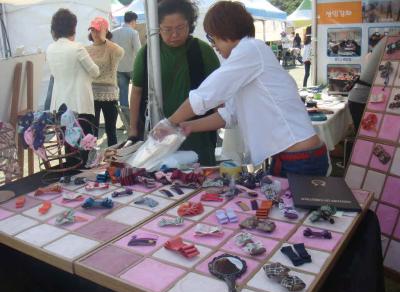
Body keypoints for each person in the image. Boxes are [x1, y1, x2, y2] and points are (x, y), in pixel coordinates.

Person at [157, 1, 328, 177]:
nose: (214, 45)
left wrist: (168, 124)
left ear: (224, 32)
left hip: (300, 158)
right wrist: (186, 126)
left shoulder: (250, 50)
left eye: (212, 38)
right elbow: (229, 115)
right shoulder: (248, 57)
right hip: (290, 156)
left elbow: (204, 96)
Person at [130, 0, 220, 165]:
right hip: (157, 134)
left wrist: (220, 120)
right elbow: (136, 91)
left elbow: (218, 95)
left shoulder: (202, 51)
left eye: (180, 28)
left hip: (197, 133)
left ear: (190, 25)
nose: (174, 35)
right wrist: (133, 129)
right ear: (158, 28)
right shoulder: (147, 53)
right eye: (167, 29)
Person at [46, 9, 100, 166]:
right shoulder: (77, 48)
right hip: (79, 103)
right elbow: (95, 72)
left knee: (69, 149)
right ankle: (83, 182)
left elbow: (55, 73)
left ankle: (70, 180)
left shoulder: (50, 49)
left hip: (60, 106)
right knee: (84, 148)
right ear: (73, 27)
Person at [86, 17, 124, 147]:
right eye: (92, 30)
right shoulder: (86, 49)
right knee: (92, 131)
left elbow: (121, 53)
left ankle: (113, 159)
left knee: (111, 131)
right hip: (91, 94)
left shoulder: (112, 48)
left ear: (105, 31)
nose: (94, 33)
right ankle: (93, 160)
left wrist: (104, 40)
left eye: (98, 30)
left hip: (109, 95)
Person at [348, 36, 387, 131]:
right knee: (363, 134)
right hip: (360, 98)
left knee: (367, 133)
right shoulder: (390, 40)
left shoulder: (387, 40)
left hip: (362, 95)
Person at [111, 11, 141, 127]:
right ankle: (137, 120)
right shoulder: (133, 33)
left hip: (119, 68)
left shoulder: (113, 33)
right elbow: (138, 52)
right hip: (133, 67)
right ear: (133, 21)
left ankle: (126, 121)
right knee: (138, 93)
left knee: (122, 95)